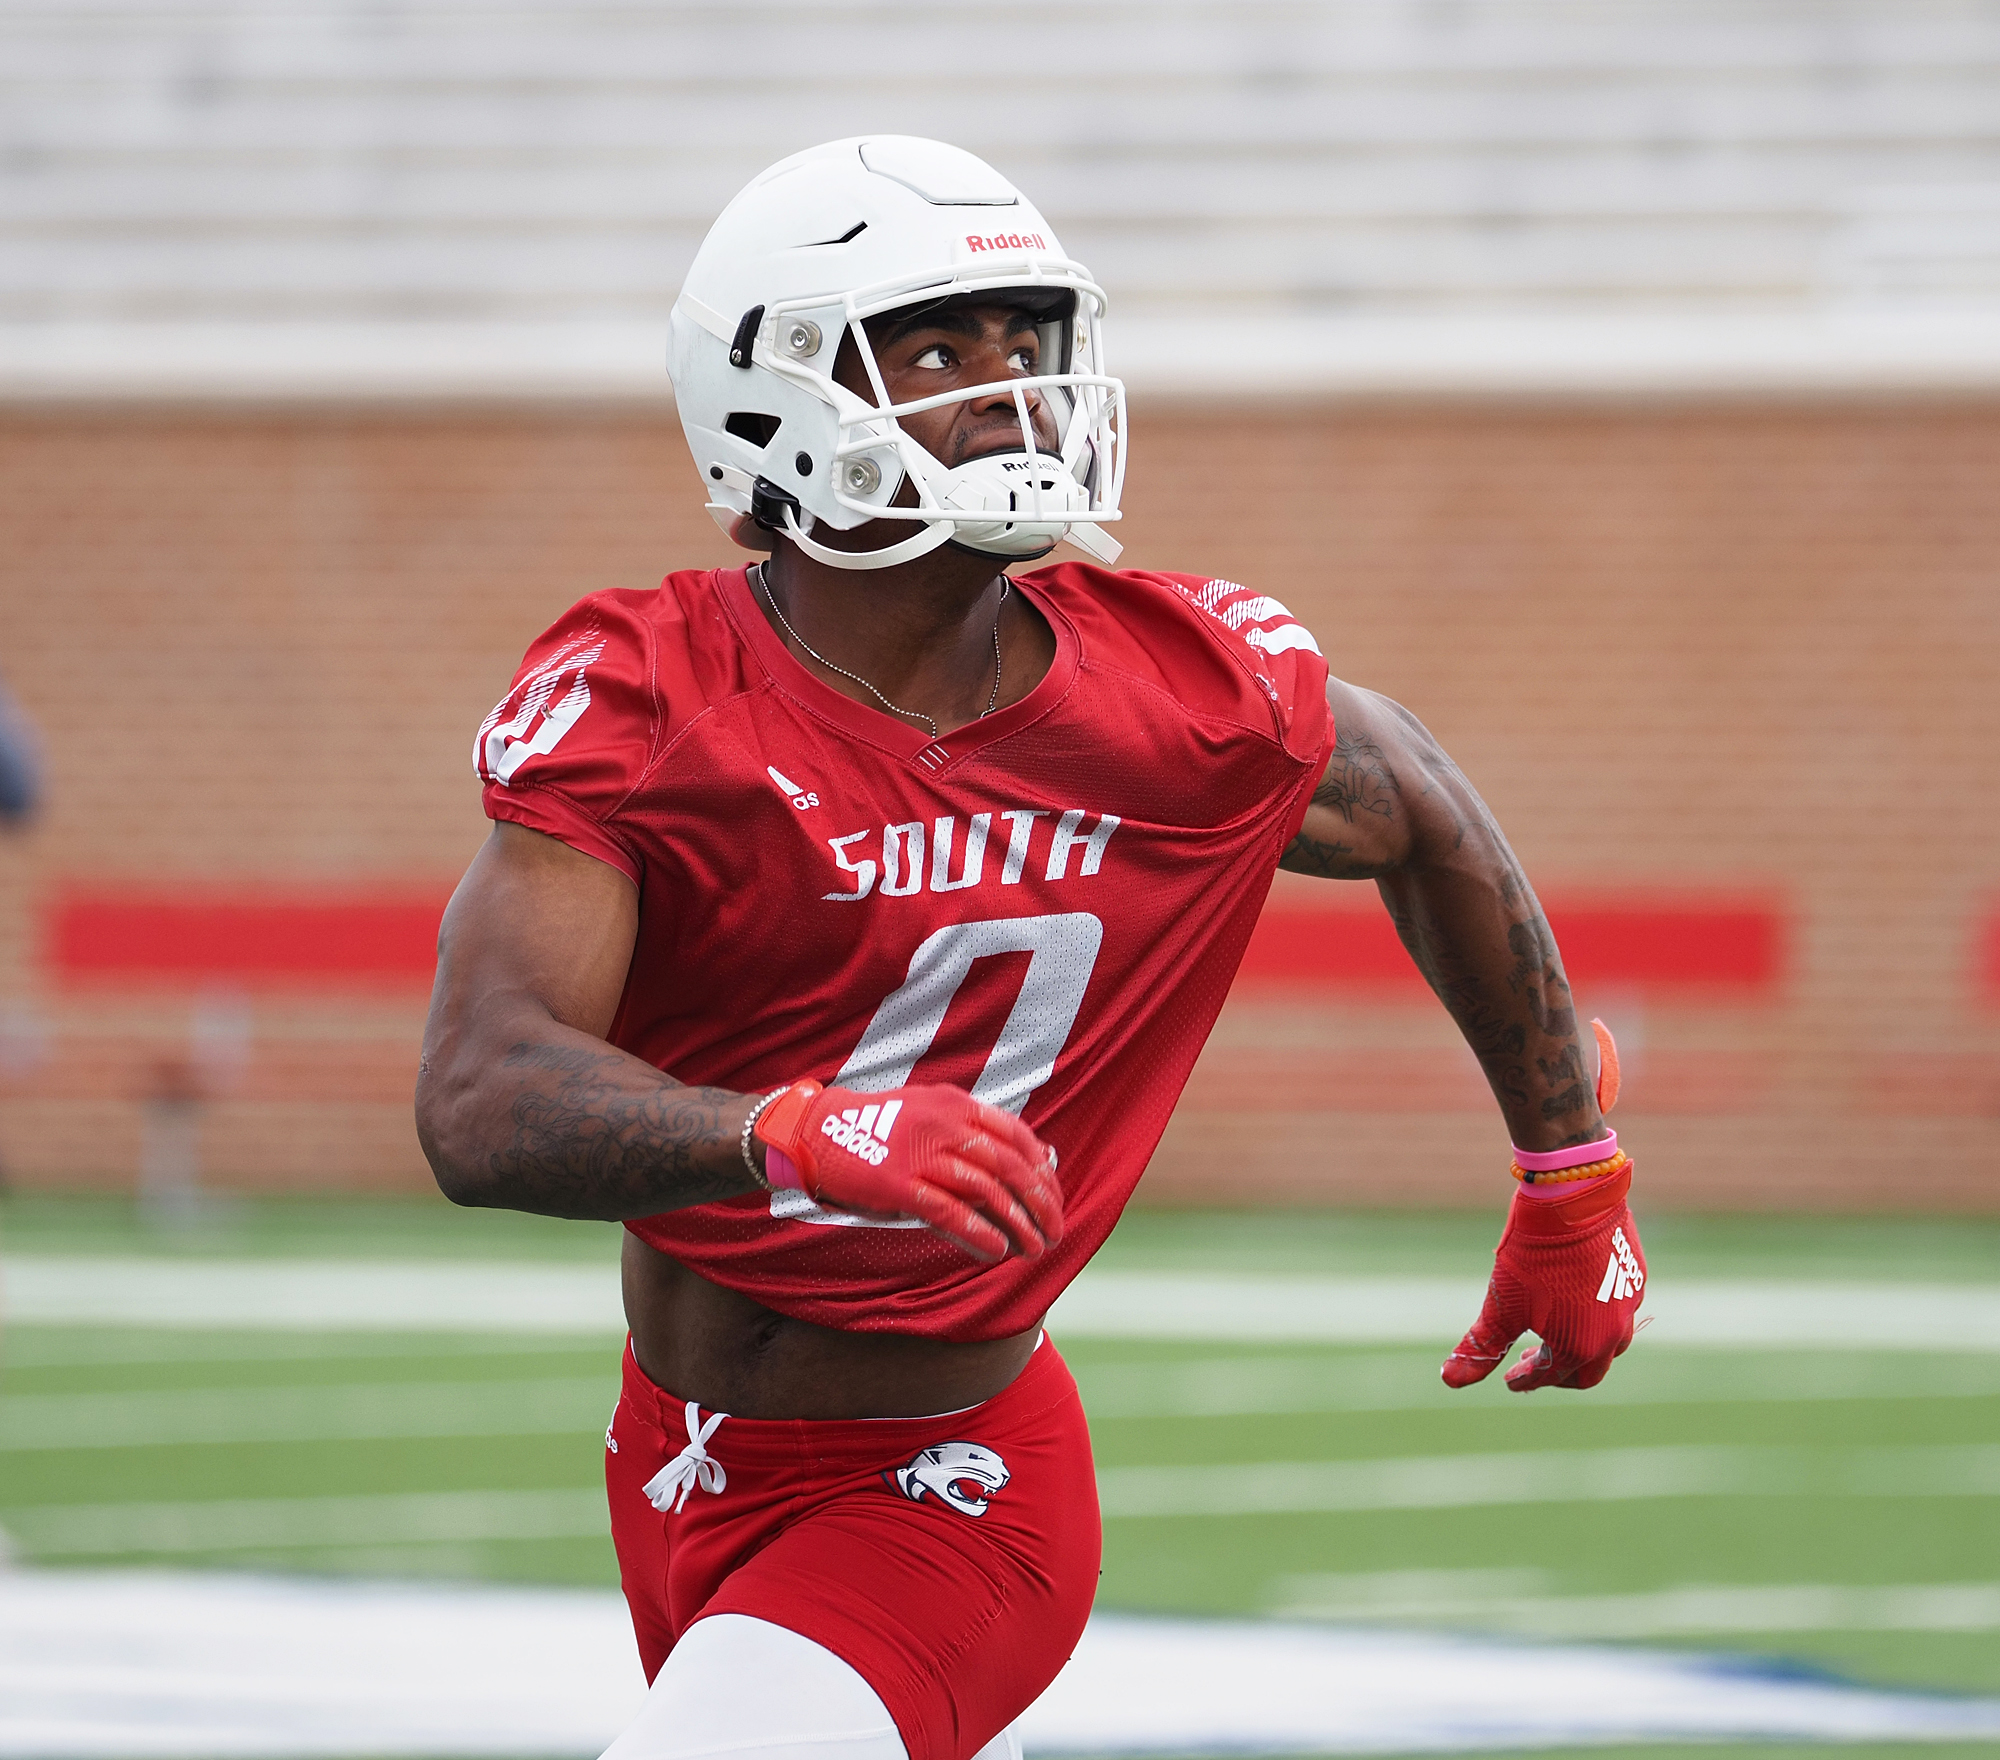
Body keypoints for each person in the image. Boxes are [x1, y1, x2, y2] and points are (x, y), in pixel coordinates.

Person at [415, 137, 1646, 1760]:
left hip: (948, 1476)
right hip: (677, 1450)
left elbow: (1421, 802)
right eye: (936, 351)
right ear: (770, 395)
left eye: (1027, 347)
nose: (1011, 394)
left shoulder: (1182, 693)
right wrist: (784, 1130)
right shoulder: (653, 695)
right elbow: (481, 1099)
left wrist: (1573, 1168)